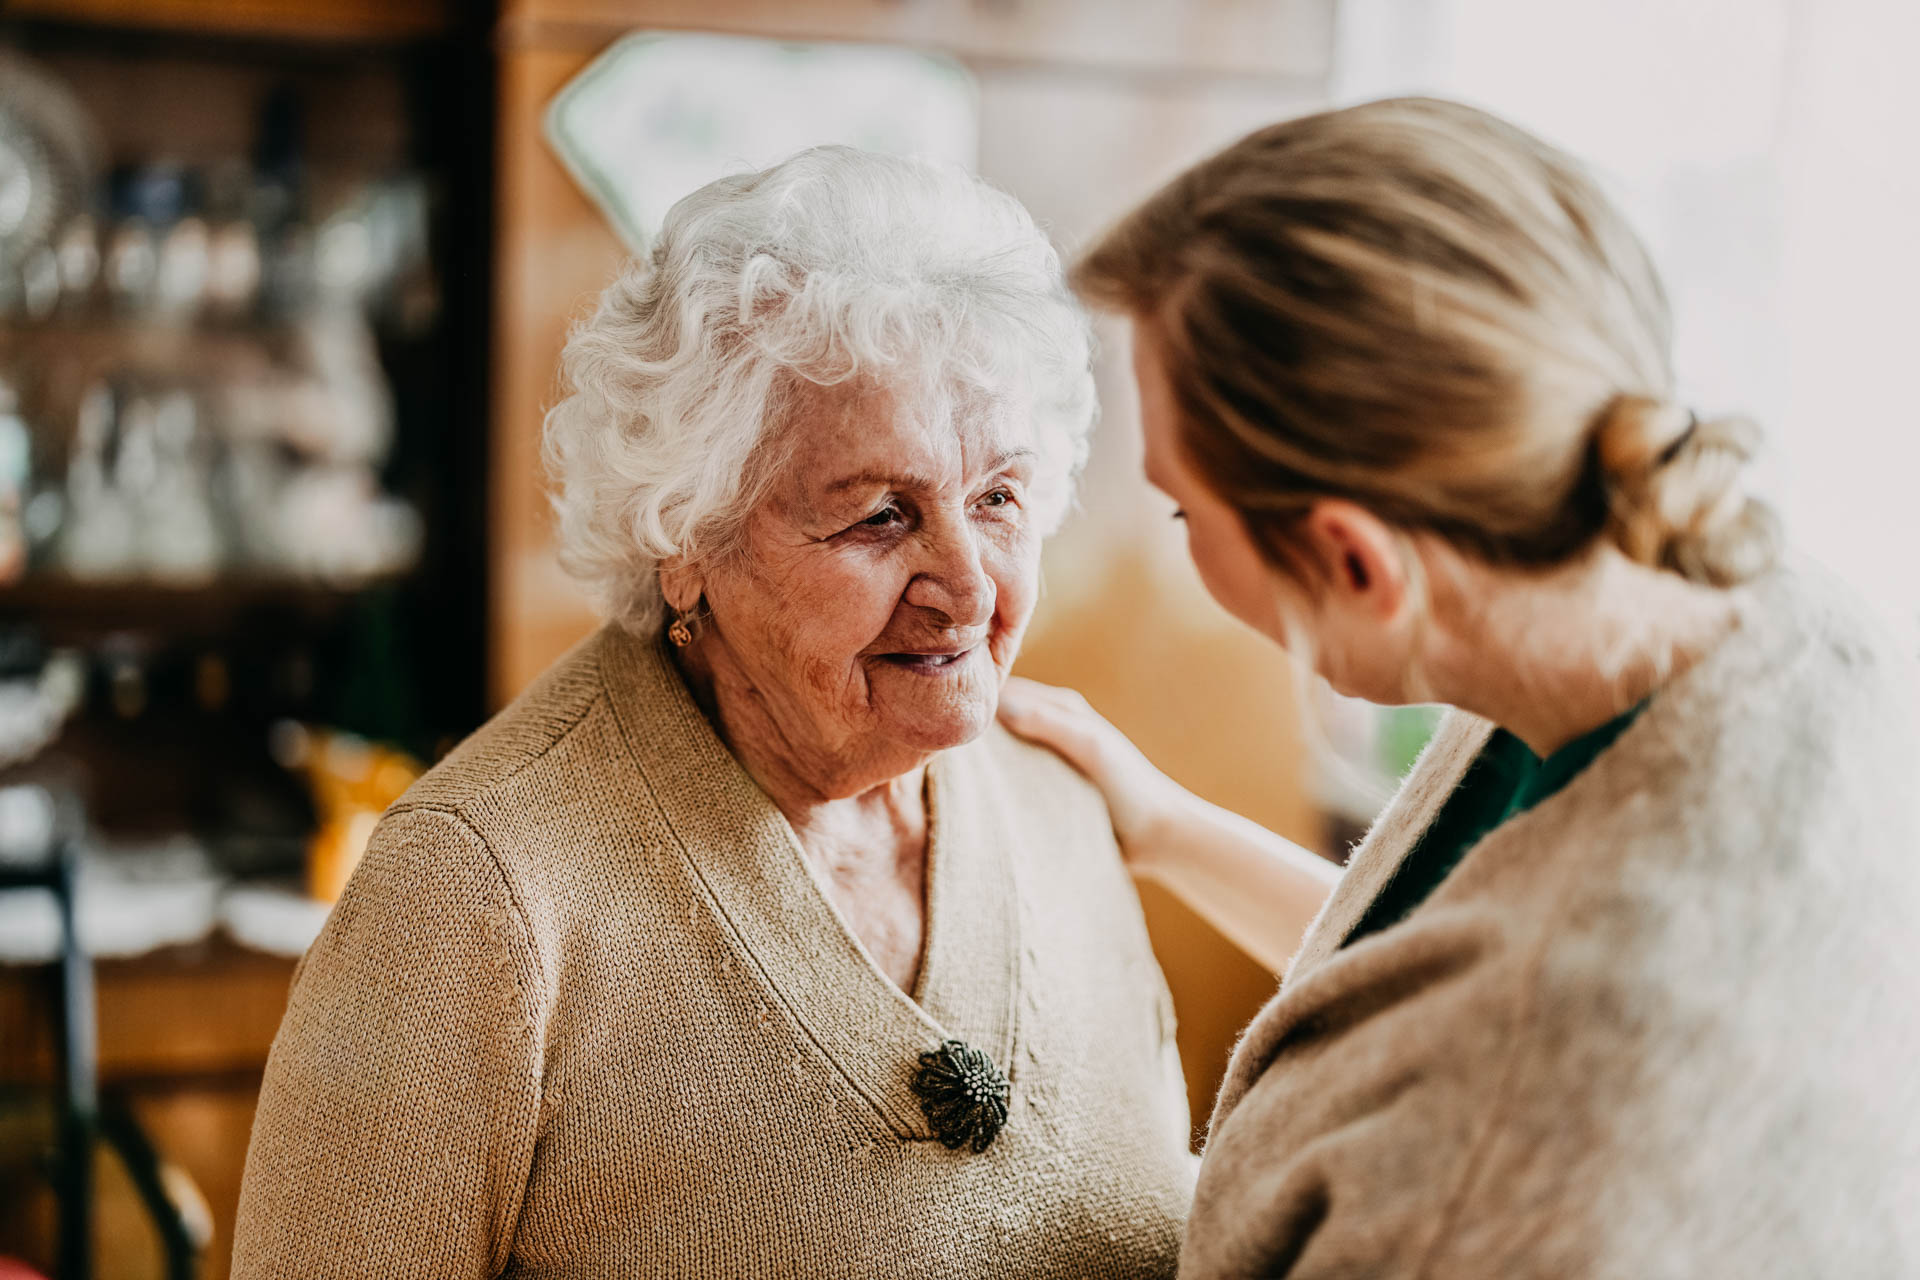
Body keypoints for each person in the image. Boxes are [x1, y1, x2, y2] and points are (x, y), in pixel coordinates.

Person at [232, 146, 1194, 1278]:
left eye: (998, 499)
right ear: (686, 541)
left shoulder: (1062, 803)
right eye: (881, 516)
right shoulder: (476, 894)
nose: (971, 586)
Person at [999, 97, 1920, 1278]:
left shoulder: (1512, 1146)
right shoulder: (1734, 604)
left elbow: (1490, 1052)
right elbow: (1430, 974)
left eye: (1183, 507)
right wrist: (1164, 825)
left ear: (1354, 561)